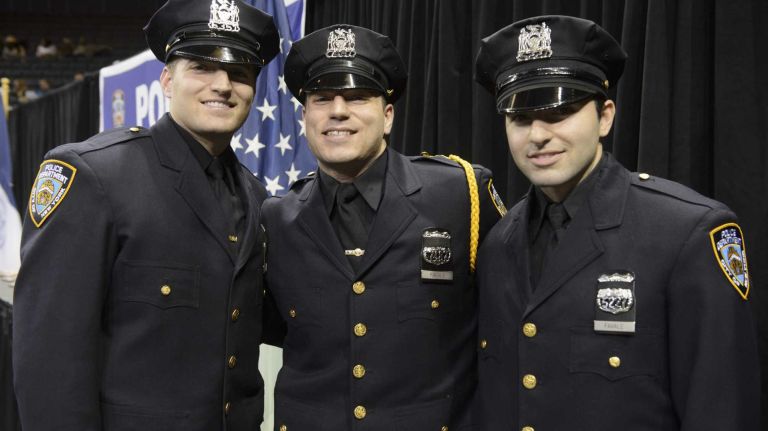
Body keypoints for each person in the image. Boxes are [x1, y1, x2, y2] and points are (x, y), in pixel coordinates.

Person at [473, 15, 760, 430]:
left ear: (605, 116)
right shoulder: (498, 243)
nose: (537, 135)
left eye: (559, 111)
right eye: (520, 118)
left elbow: (722, 411)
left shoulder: (686, 233)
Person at [12, 0, 279, 429]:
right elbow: (50, 359)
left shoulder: (254, 192)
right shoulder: (95, 176)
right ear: (167, 81)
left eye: (241, 74)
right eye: (202, 68)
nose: (223, 85)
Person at [262, 24, 506, 431]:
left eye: (357, 97)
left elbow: (509, 318)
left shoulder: (461, 194)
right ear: (305, 117)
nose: (338, 111)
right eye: (322, 99)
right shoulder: (277, 218)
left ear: (387, 115)